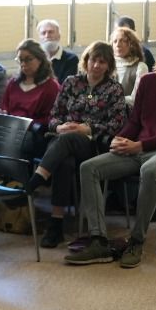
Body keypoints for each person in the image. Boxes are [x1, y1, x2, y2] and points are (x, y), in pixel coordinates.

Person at [65, 29, 156, 269]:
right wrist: (119, 139)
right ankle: (98, 239)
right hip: (136, 148)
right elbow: (135, 121)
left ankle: (137, 240)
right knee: (89, 168)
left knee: (150, 171)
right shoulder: (149, 81)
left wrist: (140, 144)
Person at [22, 42, 126, 248]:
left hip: (92, 144)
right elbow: (53, 116)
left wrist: (87, 129)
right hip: (61, 141)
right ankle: (56, 223)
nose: (96, 65)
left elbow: (116, 123)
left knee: (70, 141)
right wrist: (60, 127)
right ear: (86, 61)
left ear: (109, 66)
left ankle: (39, 178)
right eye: (93, 60)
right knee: (65, 161)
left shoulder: (114, 88)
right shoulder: (71, 82)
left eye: (102, 62)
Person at [0, 39, 60, 125]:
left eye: (28, 59)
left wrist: (25, 123)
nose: (23, 64)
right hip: (9, 127)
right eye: (20, 60)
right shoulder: (13, 83)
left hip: (32, 131)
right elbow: (4, 106)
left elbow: (50, 118)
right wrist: (1, 113)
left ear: (40, 59)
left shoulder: (51, 86)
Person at [111, 25, 148, 97]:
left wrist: (112, 101)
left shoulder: (140, 67)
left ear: (132, 44)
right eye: (115, 41)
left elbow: (136, 99)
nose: (118, 45)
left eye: (123, 41)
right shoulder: (108, 65)